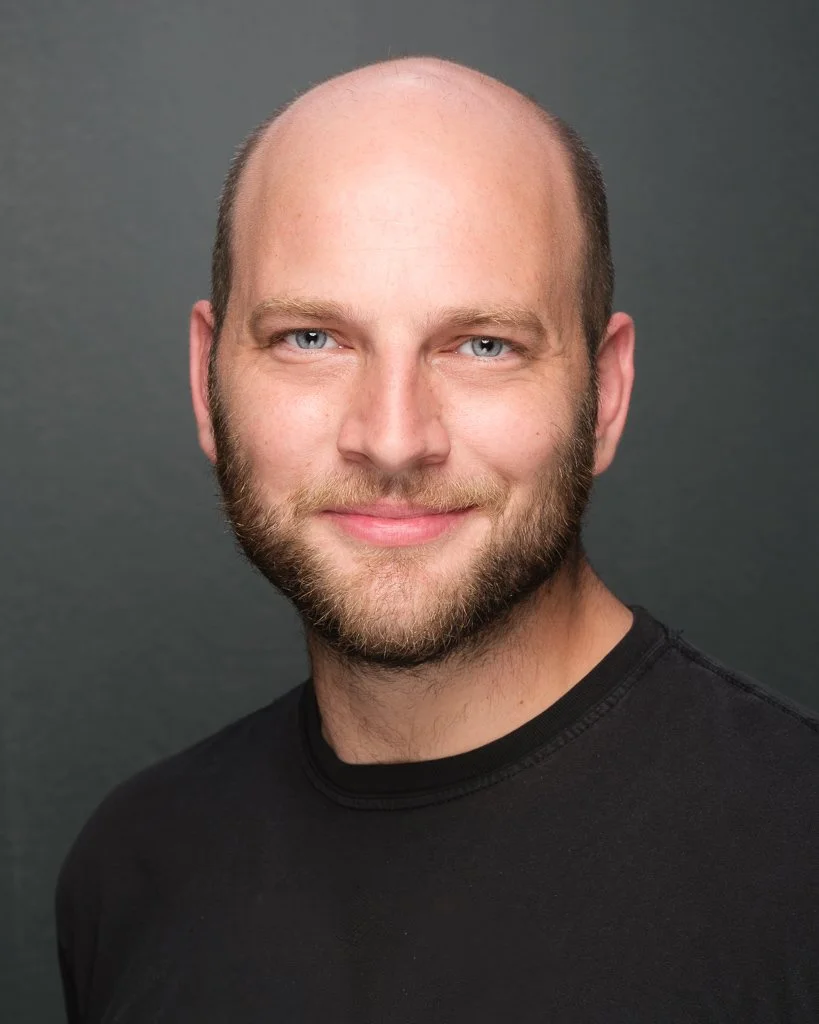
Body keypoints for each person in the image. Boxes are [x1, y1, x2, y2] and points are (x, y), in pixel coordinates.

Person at [55, 56, 819, 1022]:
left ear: (606, 393)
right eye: (310, 338)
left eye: (483, 345)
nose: (391, 436)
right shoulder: (131, 870)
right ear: (209, 376)